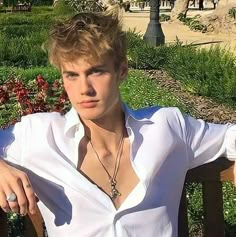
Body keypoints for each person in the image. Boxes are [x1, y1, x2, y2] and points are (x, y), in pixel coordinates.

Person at [0, 8, 236, 237]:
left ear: (121, 70)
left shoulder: (167, 127)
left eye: (96, 72)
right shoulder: (40, 136)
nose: (84, 89)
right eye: (72, 75)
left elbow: (229, 136)